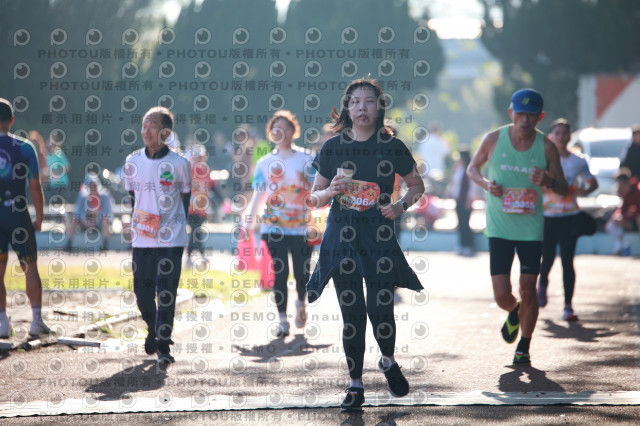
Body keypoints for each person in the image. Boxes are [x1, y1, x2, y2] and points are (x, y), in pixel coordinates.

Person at [307, 78, 425, 412]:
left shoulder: (392, 146)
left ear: (379, 107)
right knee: (353, 315)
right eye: (355, 102)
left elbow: (417, 186)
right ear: (347, 107)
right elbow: (314, 198)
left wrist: (400, 206)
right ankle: (355, 384)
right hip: (341, 239)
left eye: (369, 101)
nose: (362, 108)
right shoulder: (333, 147)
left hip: (378, 239)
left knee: (380, 309)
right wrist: (329, 191)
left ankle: (387, 360)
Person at [467, 88, 568, 367]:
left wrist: (548, 180)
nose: (525, 120)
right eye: (520, 114)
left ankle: (524, 346)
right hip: (499, 227)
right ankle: (514, 310)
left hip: (530, 230)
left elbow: (563, 187)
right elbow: (472, 169)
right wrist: (486, 184)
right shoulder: (493, 139)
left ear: (540, 117)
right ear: (511, 113)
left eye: (531, 115)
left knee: (528, 288)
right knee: (502, 295)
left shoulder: (546, 147)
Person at [124, 106, 191, 364]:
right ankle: (153, 328)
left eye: (152, 126)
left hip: (171, 239)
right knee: (142, 293)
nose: (146, 131)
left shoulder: (180, 164)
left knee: (166, 292)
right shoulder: (132, 161)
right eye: (144, 126)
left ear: (166, 132)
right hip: (142, 238)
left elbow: (185, 199)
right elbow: (133, 198)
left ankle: (163, 344)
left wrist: (173, 225)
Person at [242, 110, 314, 338]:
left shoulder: (307, 158)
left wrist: (307, 183)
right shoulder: (264, 163)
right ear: (270, 133)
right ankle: (282, 320)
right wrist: (248, 223)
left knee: (302, 272)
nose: (281, 132)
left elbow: (318, 189)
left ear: (294, 131)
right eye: (276, 128)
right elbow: (258, 195)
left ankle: (301, 303)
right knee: (280, 272)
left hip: (302, 226)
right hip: (273, 226)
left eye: (286, 128)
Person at [538, 118, 598, 321]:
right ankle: (542, 284)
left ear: (570, 137)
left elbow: (593, 183)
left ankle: (568, 307)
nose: (561, 137)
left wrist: (582, 190)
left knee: (567, 261)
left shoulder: (578, 161)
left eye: (564, 133)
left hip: (569, 216)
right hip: (548, 216)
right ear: (550, 136)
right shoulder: (542, 160)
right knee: (547, 258)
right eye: (557, 133)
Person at [0, 98, 51, 339]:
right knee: (29, 267)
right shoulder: (25, 148)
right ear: (12, 120)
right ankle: (36, 322)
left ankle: (2, 323)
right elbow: (34, 186)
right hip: (18, 215)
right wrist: (39, 217)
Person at [64, 173, 114, 252]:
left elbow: (108, 211)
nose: (92, 187)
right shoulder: (83, 195)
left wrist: (97, 217)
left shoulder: (104, 195)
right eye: (90, 185)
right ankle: (68, 244)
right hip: (85, 222)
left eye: (94, 185)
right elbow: (78, 211)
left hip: (99, 223)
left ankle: (105, 246)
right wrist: (85, 219)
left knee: (106, 220)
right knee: (73, 219)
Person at [185, 143, 215, 264]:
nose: (199, 159)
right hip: (190, 208)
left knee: (196, 231)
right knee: (196, 230)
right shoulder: (188, 170)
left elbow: (212, 187)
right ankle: (201, 255)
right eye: (196, 157)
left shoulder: (205, 170)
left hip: (202, 208)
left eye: (201, 157)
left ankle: (189, 256)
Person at [605, 170, 640, 255]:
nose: (621, 188)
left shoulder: (637, 189)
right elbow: (622, 209)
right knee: (611, 224)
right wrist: (617, 216)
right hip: (631, 219)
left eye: (622, 185)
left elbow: (637, 209)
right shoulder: (625, 193)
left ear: (627, 182)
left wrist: (627, 218)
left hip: (636, 218)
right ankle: (619, 247)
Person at [448, 149, 475, 256]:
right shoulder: (458, 170)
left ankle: (468, 246)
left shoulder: (470, 170)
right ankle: (462, 245)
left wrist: (469, 199)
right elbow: (454, 184)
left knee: (465, 223)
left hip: (466, 201)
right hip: (458, 200)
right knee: (460, 224)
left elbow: (472, 187)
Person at [44, 130, 70, 201]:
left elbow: (67, 167)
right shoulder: (48, 156)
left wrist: (58, 171)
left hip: (62, 184)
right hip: (52, 185)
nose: (51, 146)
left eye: (52, 144)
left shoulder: (59, 153)